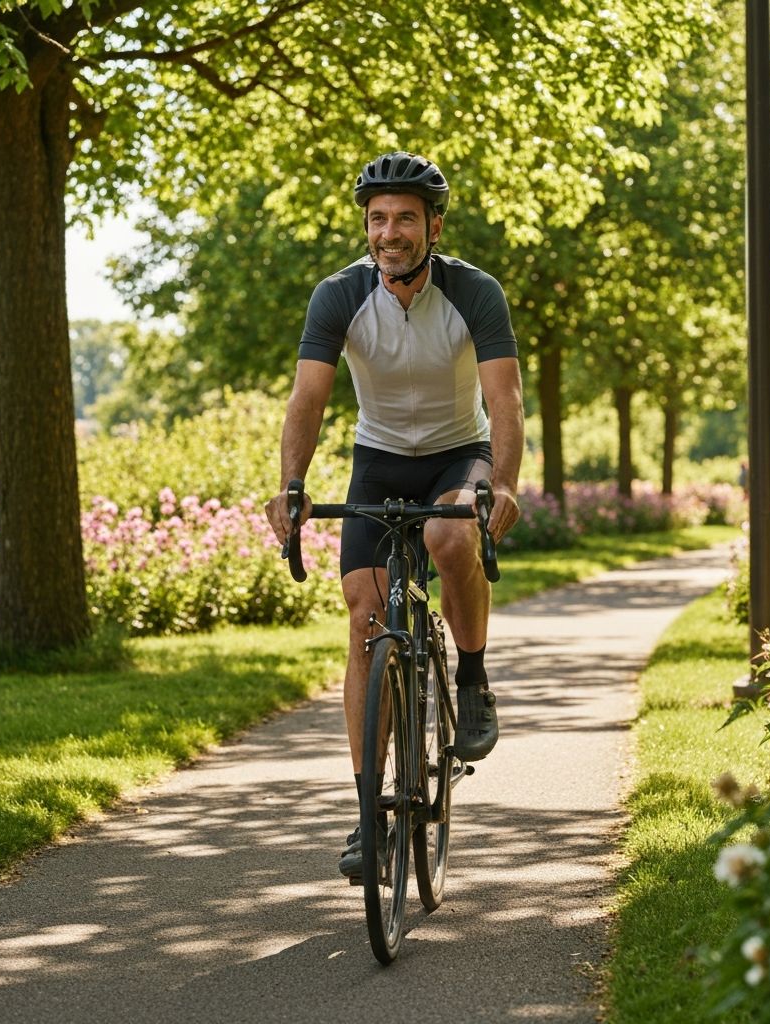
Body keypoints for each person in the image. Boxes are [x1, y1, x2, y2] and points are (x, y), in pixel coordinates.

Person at [265, 151, 524, 878]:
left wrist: (500, 485)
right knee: (364, 614)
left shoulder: (474, 293)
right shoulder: (339, 295)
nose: (390, 232)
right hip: (379, 457)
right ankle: (366, 817)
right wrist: (292, 483)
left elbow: (504, 400)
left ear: (433, 225)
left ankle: (470, 677)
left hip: (457, 452)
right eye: (378, 219)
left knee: (448, 536)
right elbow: (308, 398)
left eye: (405, 218)